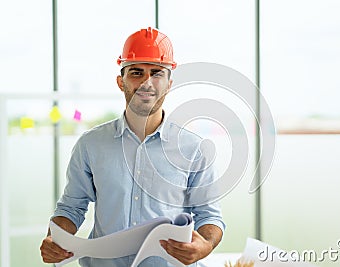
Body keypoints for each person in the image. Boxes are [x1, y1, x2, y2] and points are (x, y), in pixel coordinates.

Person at [40, 27, 225, 267]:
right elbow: (72, 207)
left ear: (169, 84)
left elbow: (209, 216)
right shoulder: (90, 145)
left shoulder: (195, 149)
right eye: (137, 72)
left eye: (157, 73)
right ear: (121, 81)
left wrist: (205, 246)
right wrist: (54, 238)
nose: (147, 82)